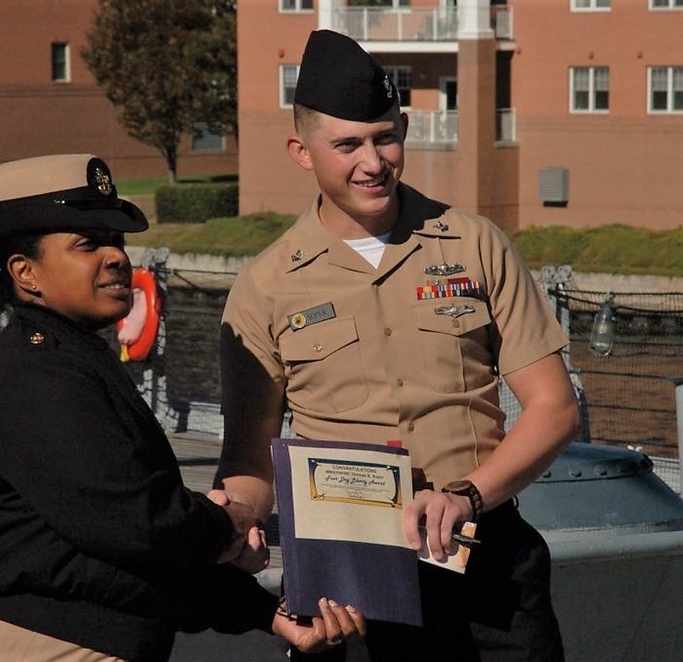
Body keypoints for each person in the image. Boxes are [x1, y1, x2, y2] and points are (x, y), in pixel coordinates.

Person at [216, 30, 580, 660]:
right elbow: (249, 458)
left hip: (483, 557)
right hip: (347, 584)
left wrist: (466, 493)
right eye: (347, 144)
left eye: (386, 136)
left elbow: (554, 407)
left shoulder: (474, 244)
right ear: (301, 151)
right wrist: (233, 518)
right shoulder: (265, 287)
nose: (373, 162)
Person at [0, 154, 364, 661]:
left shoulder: (69, 359)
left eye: (117, 241)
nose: (115, 256)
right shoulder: (41, 374)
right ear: (26, 272)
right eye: (88, 244)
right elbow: (136, 522)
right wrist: (229, 522)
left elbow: (121, 556)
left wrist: (262, 613)